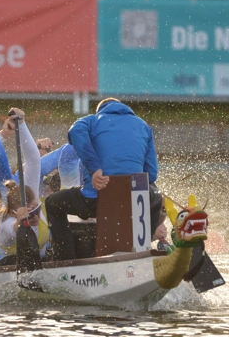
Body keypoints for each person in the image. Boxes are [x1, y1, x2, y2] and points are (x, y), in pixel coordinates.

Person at [44, 98, 161, 262]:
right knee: (156, 198)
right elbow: (151, 174)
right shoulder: (143, 126)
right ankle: (143, 249)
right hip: (134, 200)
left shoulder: (91, 121)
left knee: (52, 203)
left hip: (96, 198)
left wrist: (94, 168)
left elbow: (75, 132)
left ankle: (66, 261)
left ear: (101, 110)